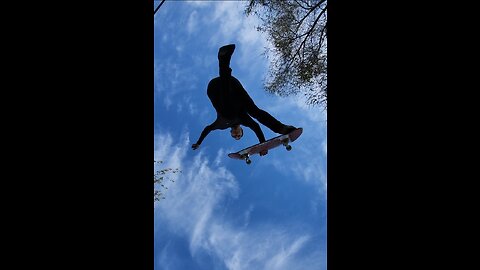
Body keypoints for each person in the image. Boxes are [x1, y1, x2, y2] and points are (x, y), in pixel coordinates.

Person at [191, 44, 296, 156]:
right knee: (254, 111)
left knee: (228, 113)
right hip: (233, 88)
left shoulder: (221, 125)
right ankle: (283, 128)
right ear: (241, 130)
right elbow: (256, 127)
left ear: (231, 132)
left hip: (214, 89)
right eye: (238, 135)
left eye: (234, 135)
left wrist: (198, 143)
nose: (236, 134)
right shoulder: (245, 120)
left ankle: (223, 59)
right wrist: (263, 144)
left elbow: (207, 129)